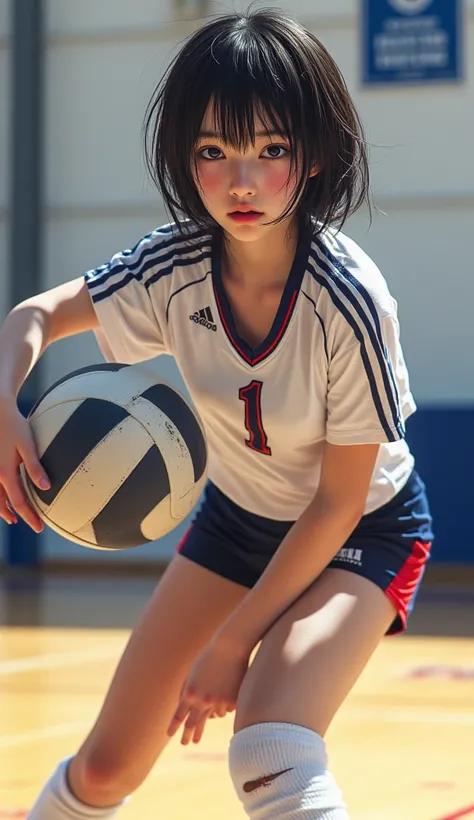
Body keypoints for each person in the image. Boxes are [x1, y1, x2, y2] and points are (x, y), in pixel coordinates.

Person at [0, 8, 433, 819]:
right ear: (184, 160)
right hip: (237, 522)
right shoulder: (174, 267)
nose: (241, 180)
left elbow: (339, 502)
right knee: (103, 770)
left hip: (361, 535)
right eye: (213, 151)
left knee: (270, 748)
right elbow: (33, 316)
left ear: (311, 159)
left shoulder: (352, 301)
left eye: (270, 149)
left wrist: (232, 641)